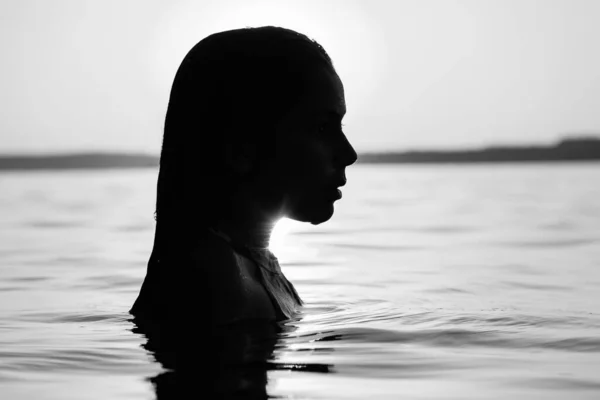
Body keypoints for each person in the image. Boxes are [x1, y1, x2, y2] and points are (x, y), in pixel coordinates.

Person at [130, 25, 355, 398]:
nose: (348, 153)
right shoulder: (214, 282)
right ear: (240, 149)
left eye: (340, 126)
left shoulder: (246, 266)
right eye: (321, 126)